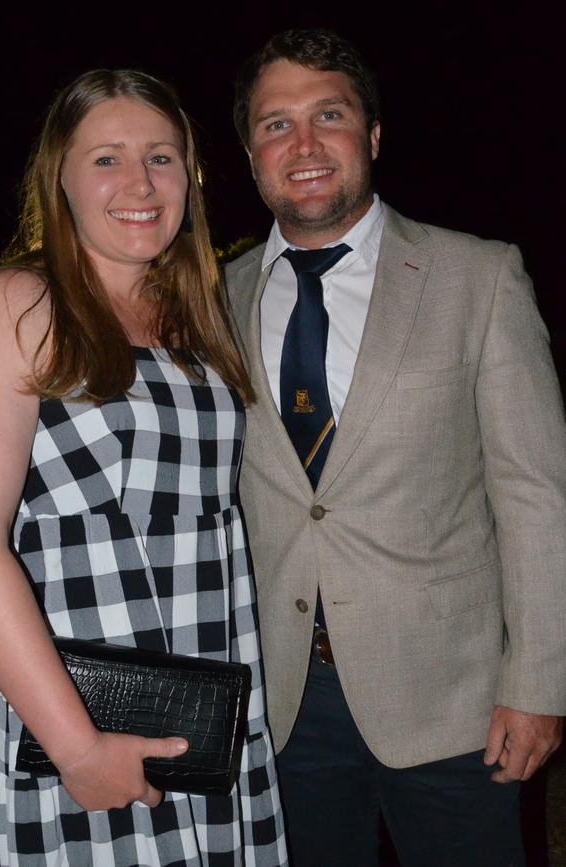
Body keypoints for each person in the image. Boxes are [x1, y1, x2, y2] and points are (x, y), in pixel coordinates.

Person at [225, 28, 566, 867]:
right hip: (283, 701)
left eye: (328, 115)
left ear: (371, 136)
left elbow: (536, 495)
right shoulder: (214, 296)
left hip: (454, 701)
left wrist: (538, 684)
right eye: (275, 124)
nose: (302, 145)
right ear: (250, 153)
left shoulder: (478, 277)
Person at [0, 68, 287, 867]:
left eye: (162, 157)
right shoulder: (21, 302)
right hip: (78, 712)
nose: (139, 182)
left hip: (209, 708)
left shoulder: (195, 317)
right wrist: (76, 745)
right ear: (59, 176)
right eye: (106, 158)